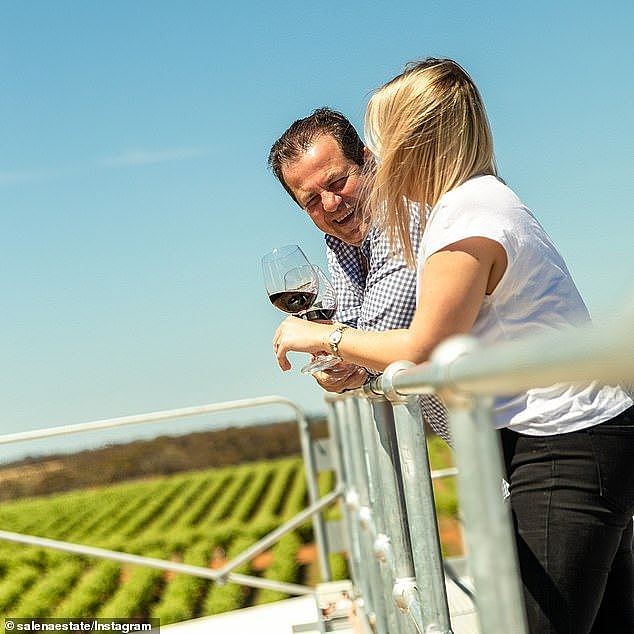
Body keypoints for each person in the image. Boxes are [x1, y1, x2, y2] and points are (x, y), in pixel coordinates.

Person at [272, 58, 634, 633]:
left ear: (400, 148)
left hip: (561, 435)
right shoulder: (463, 206)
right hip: (546, 435)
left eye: (378, 145)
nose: (379, 159)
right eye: (310, 199)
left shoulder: (457, 215)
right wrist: (354, 353)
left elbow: (419, 342)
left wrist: (324, 337)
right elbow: (383, 341)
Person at [268, 108, 450, 441]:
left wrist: (330, 343)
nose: (331, 204)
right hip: (484, 436)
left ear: (368, 161)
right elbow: (356, 334)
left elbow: (382, 332)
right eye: (311, 201)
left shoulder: (402, 211)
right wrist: (343, 364)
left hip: (534, 417)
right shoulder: (340, 240)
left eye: (338, 182)